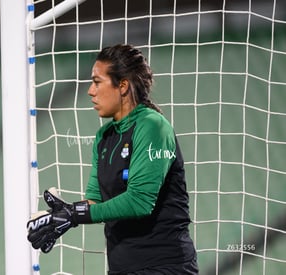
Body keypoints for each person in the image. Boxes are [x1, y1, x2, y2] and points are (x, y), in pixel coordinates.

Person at [27, 44, 198, 274]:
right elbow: (96, 201)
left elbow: (139, 201)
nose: (90, 90)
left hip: (165, 266)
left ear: (123, 85)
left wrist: (74, 214)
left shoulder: (153, 126)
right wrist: (62, 215)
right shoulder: (104, 136)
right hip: (122, 268)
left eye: (97, 82)